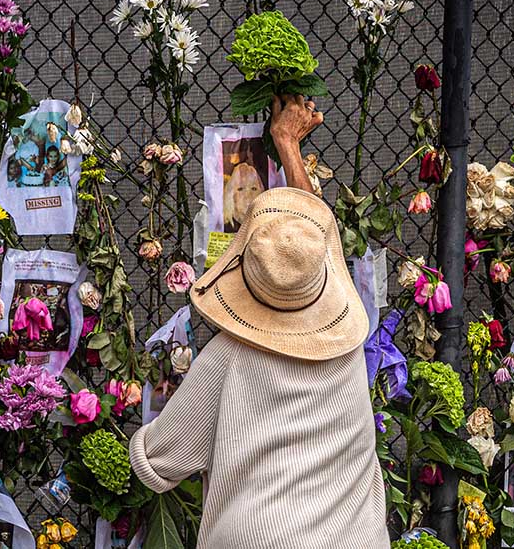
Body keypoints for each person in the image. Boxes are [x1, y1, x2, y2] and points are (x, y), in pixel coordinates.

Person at [128, 94, 389, 548]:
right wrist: (287, 144)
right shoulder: (345, 346)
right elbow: (304, 245)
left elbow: (160, 462)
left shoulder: (227, 358)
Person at [222, 161, 265, 232]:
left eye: (254, 188)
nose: (247, 195)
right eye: (240, 189)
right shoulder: (223, 228)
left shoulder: (265, 226)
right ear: (231, 195)